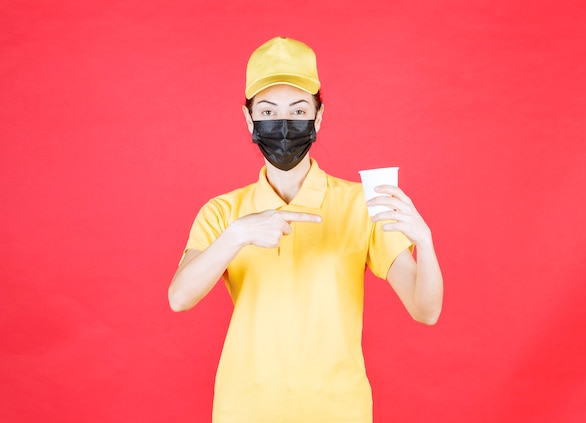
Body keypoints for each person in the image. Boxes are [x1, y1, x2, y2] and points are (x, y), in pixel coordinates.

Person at [169, 36, 443, 423]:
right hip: (244, 409)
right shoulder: (223, 211)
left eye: (298, 110)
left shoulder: (359, 203)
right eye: (267, 111)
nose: (283, 125)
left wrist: (425, 242)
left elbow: (425, 309)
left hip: (338, 410)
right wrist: (237, 234)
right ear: (249, 120)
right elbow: (179, 298)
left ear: (318, 116)